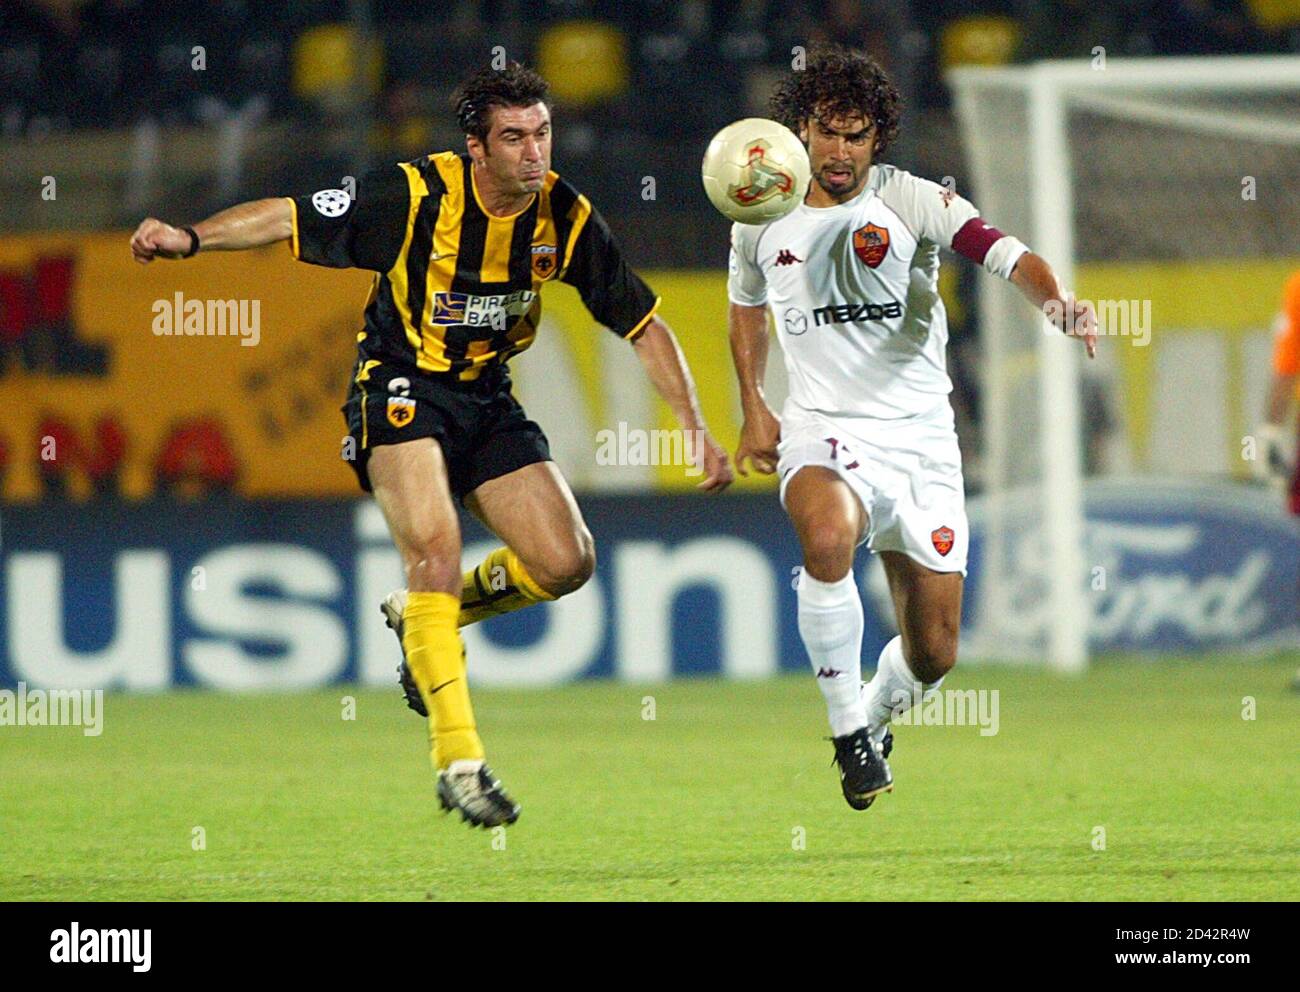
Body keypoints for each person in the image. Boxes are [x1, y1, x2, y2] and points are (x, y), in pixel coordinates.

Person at [130, 62, 732, 828]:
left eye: (541, 134)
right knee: (437, 553)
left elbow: (643, 323)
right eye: (513, 138)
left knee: (566, 561)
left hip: (486, 398)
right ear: (476, 148)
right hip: (400, 385)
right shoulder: (413, 195)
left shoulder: (565, 217)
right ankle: (460, 761)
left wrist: (695, 427)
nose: (533, 153)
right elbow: (286, 215)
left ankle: (421, 617)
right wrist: (189, 238)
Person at [727, 45, 1095, 810]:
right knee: (824, 538)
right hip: (824, 428)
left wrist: (1056, 302)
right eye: (827, 132)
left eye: (856, 136)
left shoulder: (911, 200)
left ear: (876, 141)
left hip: (923, 439)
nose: (838, 152)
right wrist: (755, 406)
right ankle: (846, 739)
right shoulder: (759, 209)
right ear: (802, 129)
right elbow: (746, 305)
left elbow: (1006, 254)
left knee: (935, 653)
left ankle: (873, 716)